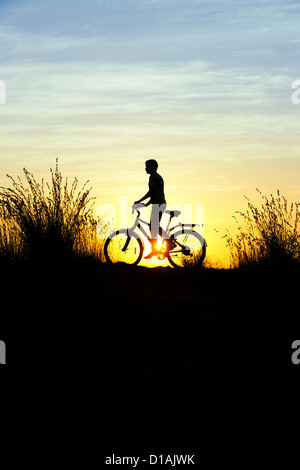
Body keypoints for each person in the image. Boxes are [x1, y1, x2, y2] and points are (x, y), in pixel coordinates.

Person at [134, 159, 167, 258]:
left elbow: (151, 192)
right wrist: (146, 204)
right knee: (154, 226)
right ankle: (156, 248)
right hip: (160, 203)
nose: (145, 168)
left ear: (152, 167)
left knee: (153, 226)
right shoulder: (158, 176)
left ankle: (166, 243)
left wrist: (140, 201)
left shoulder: (153, 177)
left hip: (158, 204)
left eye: (147, 166)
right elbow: (154, 194)